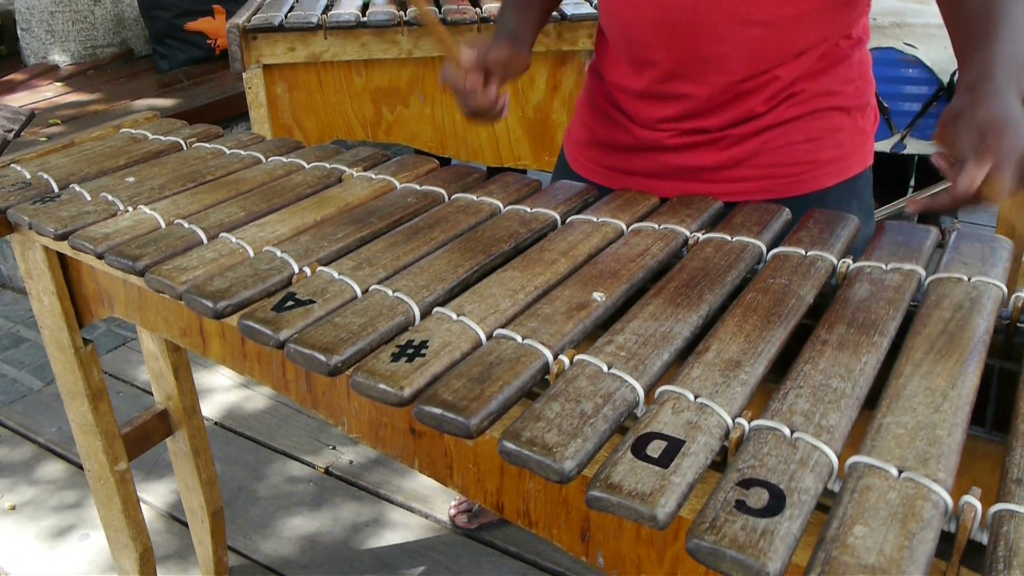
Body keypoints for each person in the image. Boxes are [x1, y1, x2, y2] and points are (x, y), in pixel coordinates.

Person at [439, 0, 1024, 531]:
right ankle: (532, 479)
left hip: (800, 173)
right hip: (615, 153)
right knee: (565, 360)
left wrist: (992, 77)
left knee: (793, 408)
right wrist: (514, 33)